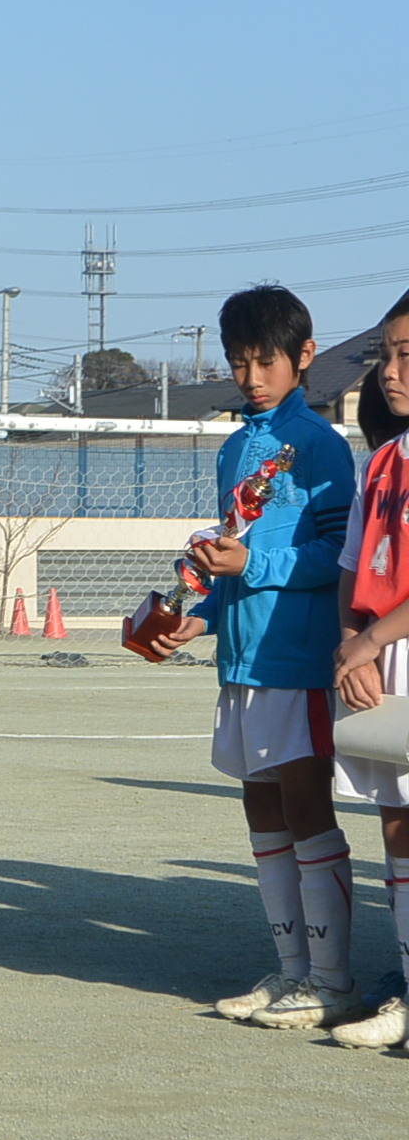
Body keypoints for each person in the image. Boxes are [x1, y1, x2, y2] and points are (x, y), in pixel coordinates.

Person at [151, 286, 357, 1030]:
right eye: (239, 362)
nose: (251, 377)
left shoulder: (322, 445)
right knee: (261, 809)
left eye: (265, 361)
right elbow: (229, 557)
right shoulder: (235, 446)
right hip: (240, 658)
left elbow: (339, 554)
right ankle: (293, 971)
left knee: (306, 809)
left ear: (304, 357)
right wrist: (198, 617)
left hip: (295, 659)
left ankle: (331, 981)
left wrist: (254, 564)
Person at [327, 292, 409, 1049]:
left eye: (407, 354)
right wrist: (353, 643)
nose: (390, 370)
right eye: (385, 354)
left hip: (393, 640)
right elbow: (353, 567)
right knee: (397, 821)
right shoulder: (381, 461)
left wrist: (371, 638)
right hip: (383, 654)